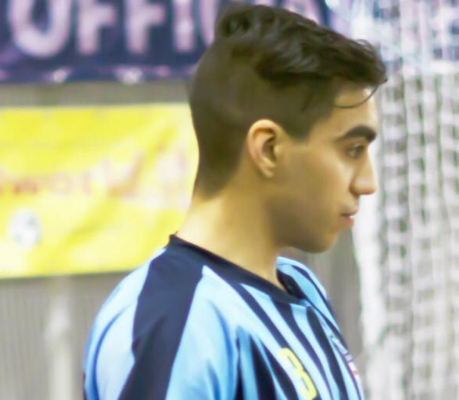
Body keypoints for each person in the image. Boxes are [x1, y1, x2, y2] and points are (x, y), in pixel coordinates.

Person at [83, 3, 386, 400]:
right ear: (269, 149)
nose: (367, 183)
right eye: (353, 149)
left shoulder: (300, 286)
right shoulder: (175, 320)